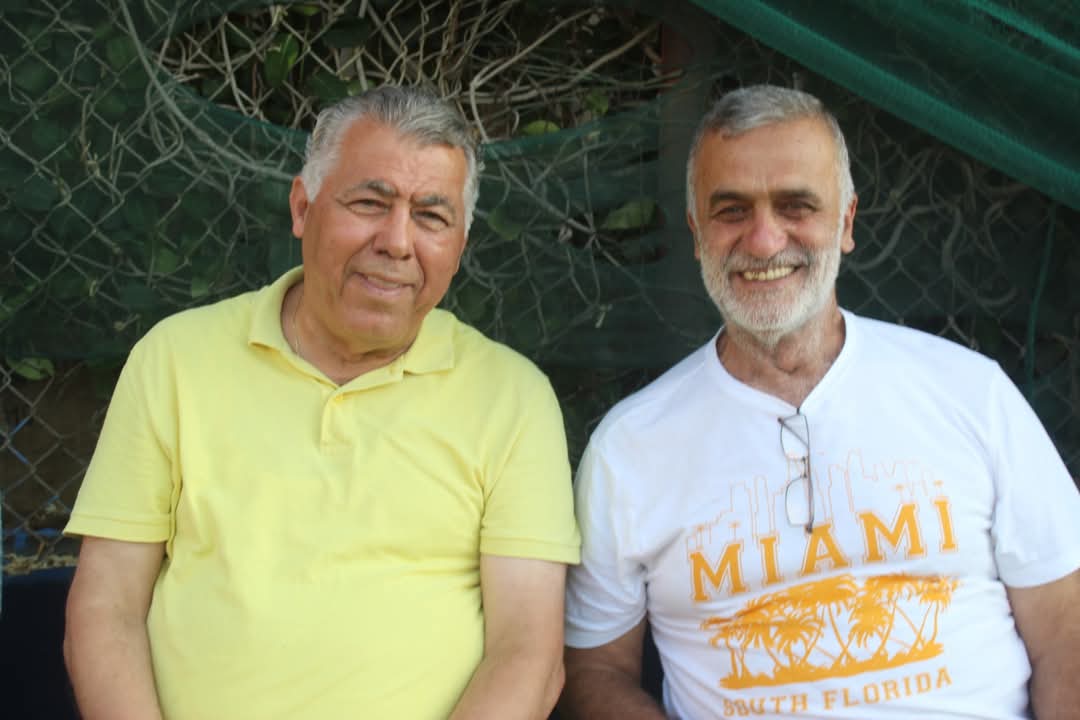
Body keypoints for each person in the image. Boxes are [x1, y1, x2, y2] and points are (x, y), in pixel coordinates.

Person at [560, 84, 1080, 719]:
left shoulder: (972, 393)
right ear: (697, 233)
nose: (763, 240)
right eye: (731, 211)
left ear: (846, 222)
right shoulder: (630, 447)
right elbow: (595, 670)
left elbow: (1067, 634)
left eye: (796, 205)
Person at [63, 85, 580, 720]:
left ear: (461, 243)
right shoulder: (174, 359)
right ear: (303, 208)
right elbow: (106, 607)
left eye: (431, 216)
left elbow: (527, 652)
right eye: (370, 203)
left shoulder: (512, 397)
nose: (397, 241)